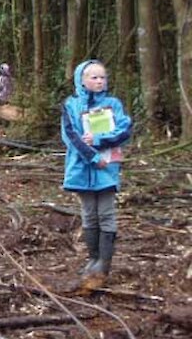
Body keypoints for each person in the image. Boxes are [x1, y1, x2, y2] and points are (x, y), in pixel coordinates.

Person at [61, 60, 132, 284]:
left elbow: (124, 130)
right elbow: (71, 136)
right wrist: (92, 157)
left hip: (107, 168)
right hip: (81, 169)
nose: (100, 81)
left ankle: (104, 263)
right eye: (94, 77)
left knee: (106, 213)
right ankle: (93, 258)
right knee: (89, 214)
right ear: (82, 80)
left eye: (103, 77)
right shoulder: (71, 105)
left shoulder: (113, 104)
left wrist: (99, 140)